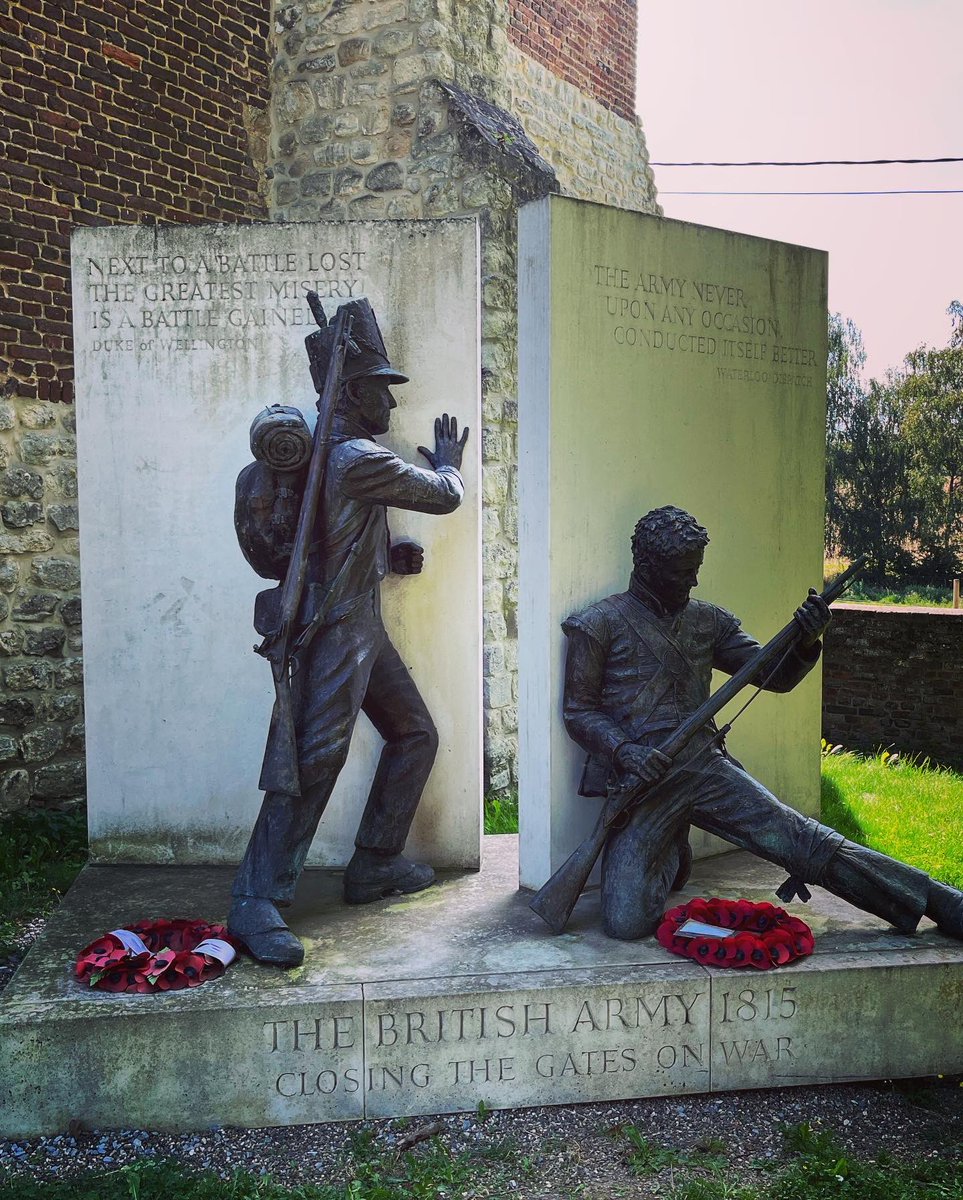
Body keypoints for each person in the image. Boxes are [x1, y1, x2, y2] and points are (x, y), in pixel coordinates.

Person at [561, 505, 963, 942]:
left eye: (696, 570)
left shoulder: (709, 621)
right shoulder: (598, 624)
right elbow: (579, 711)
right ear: (647, 566)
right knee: (627, 923)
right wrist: (625, 750)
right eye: (682, 572)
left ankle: (937, 899)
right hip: (645, 781)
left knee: (802, 839)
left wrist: (806, 641)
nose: (693, 581)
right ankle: (671, 848)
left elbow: (777, 676)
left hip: (704, 767)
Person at [229, 298, 469, 967]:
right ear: (358, 393)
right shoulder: (358, 456)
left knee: (414, 732)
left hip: (358, 622)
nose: (391, 407)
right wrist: (449, 460)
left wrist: (386, 558)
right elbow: (443, 494)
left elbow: (336, 537)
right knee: (311, 760)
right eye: (383, 393)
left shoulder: (334, 457)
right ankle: (256, 898)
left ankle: (375, 863)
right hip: (335, 631)